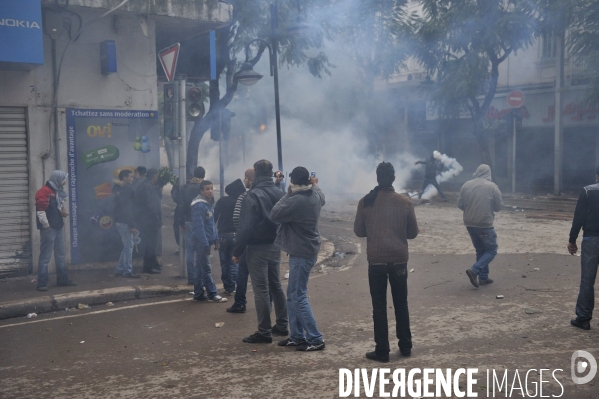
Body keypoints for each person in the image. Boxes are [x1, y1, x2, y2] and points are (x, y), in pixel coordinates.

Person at [354, 162, 418, 362]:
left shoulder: (366, 201)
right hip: (399, 261)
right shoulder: (405, 202)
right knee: (401, 304)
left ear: (377, 178)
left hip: (377, 262)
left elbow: (359, 231)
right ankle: (405, 346)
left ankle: (382, 350)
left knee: (379, 307)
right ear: (394, 178)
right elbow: (413, 233)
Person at [271, 167, 326, 352]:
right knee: (292, 294)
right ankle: (296, 336)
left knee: (298, 296)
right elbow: (321, 194)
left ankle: (315, 338)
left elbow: (275, 213)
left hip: (302, 252)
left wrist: (287, 193)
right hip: (305, 249)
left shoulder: (296, 200)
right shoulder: (315, 195)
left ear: (293, 182)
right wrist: (315, 184)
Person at [233, 160, 288, 343]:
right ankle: (282, 324)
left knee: (261, 290)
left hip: (257, 247)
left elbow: (245, 227)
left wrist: (237, 250)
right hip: (275, 245)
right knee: (276, 286)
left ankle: (264, 331)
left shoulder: (253, 195)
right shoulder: (279, 193)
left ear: (256, 172)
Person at [457, 164, 503, 288]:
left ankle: (483, 278)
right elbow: (498, 207)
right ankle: (474, 270)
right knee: (491, 250)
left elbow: (460, 205)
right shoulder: (492, 187)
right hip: (484, 224)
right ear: (489, 173)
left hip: (469, 223)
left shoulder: (466, 185)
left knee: (480, 250)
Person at [568, 166, 599, 330]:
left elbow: (578, 217)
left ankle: (584, 318)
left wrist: (572, 240)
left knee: (587, 281)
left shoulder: (588, 191)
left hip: (591, 239)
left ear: (596, 175)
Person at [35, 170, 77, 291]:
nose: (64, 183)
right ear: (57, 179)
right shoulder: (44, 192)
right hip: (49, 229)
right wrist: (46, 226)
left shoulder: (56, 191)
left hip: (58, 227)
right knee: (45, 257)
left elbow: (57, 207)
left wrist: (62, 213)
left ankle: (62, 279)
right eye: (63, 180)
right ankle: (42, 283)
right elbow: (41, 212)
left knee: (60, 255)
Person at [190, 180, 227, 303]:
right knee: (206, 268)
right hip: (201, 241)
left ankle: (199, 293)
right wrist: (206, 244)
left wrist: (215, 238)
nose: (210, 191)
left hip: (206, 240)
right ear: (201, 191)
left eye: (211, 188)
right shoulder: (199, 205)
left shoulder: (208, 203)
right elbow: (199, 227)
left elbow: (211, 224)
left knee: (200, 268)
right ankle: (212, 293)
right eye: (207, 189)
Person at [226, 168, 255, 313]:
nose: (244, 180)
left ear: (250, 180)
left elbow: (237, 219)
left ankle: (240, 303)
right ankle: (269, 303)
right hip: (268, 243)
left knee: (242, 273)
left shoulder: (244, 196)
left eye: (245, 177)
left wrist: (241, 237)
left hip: (248, 243)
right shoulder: (270, 193)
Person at [214, 179, 246, 296]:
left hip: (222, 235)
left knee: (224, 262)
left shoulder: (222, 201)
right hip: (235, 235)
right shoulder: (242, 202)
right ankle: (234, 286)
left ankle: (227, 286)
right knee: (234, 262)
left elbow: (214, 217)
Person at [179, 167, 205, 285]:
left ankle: (191, 277)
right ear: (203, 176)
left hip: (188, 221)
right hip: (201, 221)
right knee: (202, 249)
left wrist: (181, 222)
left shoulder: (186, 187)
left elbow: (182, 205)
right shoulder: (204, 188)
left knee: (189, 250)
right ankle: (201, 276)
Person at [113, 169, 140, 278]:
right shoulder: (128, 190)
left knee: (126, 246)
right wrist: (132, 225)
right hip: (126, 222)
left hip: (119, 221)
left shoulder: (117, 188)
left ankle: (119, 269)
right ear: (124, 178)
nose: (132, 179)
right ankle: (127, 270)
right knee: (129, 247)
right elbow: (128, 209)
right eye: (130, 177)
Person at [136, 168, 162, 274]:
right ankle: (148, 267)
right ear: (154, 176)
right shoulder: (147, 187)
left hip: (145, 219)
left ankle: (154, 263)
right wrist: (157, 220)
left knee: (150, 243)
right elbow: (152, 206)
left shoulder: (146, 185)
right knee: (151, 244)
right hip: (150, 220)